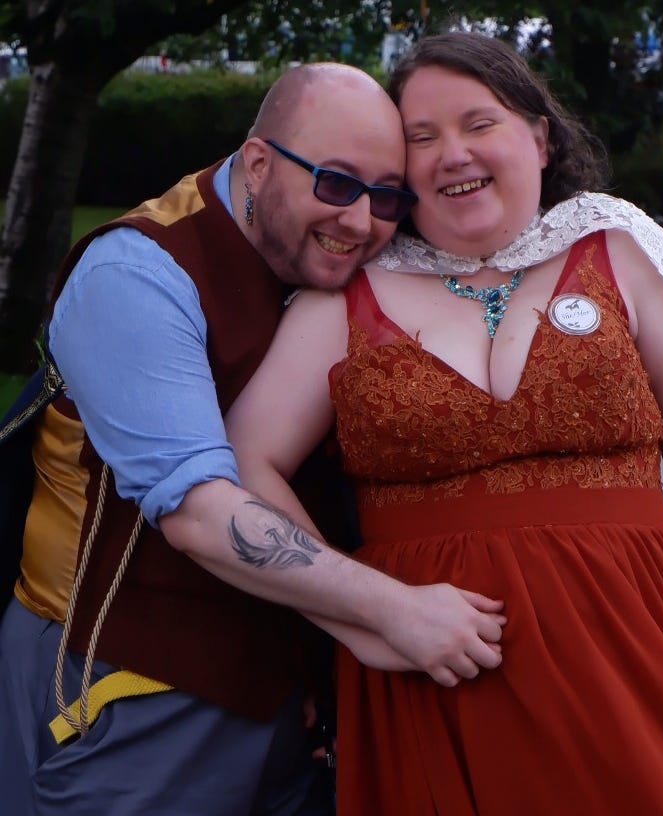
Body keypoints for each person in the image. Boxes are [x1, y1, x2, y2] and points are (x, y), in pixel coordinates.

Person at [226, 32, 663, 816]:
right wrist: (361, 606)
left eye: (479, 124)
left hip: (640, 663)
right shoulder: (344, 300)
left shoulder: (620, 256)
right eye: (421, 139)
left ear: (538, 136)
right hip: (436, 683)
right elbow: (246, 460)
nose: (452, 155)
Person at [0, 61, 508, 816]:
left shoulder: (337, 260)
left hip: (286, 687)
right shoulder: (136, 273)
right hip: (130, 687)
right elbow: (200, 511)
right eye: (335, 184)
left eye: (386, 196)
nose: (362, 221)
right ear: (261, 162)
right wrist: (392, 613)